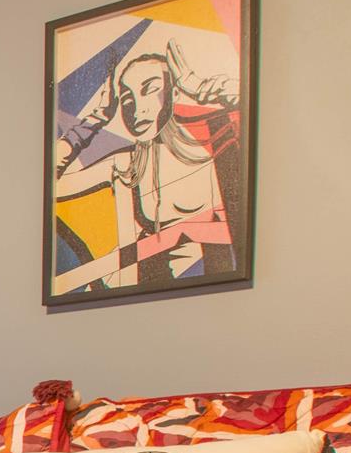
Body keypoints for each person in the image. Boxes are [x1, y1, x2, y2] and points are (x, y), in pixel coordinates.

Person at [50, 43, 245, 290]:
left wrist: (207, 90)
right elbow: (48, 189)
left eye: (149, 89)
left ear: (174, 93)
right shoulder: (127, 165)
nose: (136, 109)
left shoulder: (216, 147)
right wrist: (93, 121)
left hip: (218, 295)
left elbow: (258, 113)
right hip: (144, 298)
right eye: (127, 99)